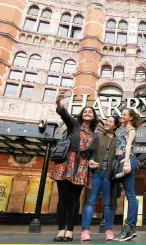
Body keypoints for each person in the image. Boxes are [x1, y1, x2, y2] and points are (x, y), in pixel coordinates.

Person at [51, 90, 99, 242]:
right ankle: (60, 230)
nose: (87, 113)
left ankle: (70, 231)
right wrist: (59, 102)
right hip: (66, 164)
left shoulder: (95, 135)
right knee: (62, 199)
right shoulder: (74, 125)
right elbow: (63, 113)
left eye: (90, 112)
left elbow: (92, 154)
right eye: (85, 111)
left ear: (94, 116)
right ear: (81, 115)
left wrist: (92, 161)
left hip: (82, 167)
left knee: (75, 199)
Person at [80, 115, 120, 241]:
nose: (107, 123)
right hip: (96, 173)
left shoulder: (118, 140)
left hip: (110, 176)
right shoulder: (97, 137)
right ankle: (85, 231)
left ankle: (109, 230)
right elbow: (89, 152)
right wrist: (91, 160)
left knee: (109, 204)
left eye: (110, 121)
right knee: (90, 201)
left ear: (116, 125)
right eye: (106, 121)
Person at [113, 108, 140, 242]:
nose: (121, 116)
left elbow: (128, 146)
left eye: (124, 114)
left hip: (126, 159)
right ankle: (131, 229)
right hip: (120, 160)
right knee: (130, 194)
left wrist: (127, 162)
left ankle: (128, 226)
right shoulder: (121, 129)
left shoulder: (131, 130)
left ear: (130, 117)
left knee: (130, 195)